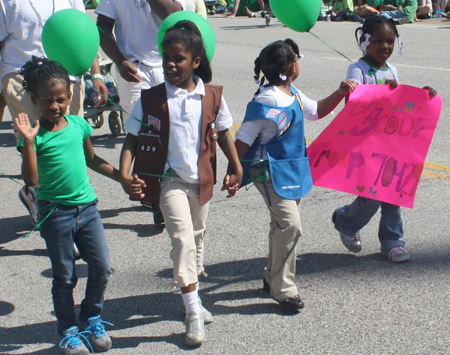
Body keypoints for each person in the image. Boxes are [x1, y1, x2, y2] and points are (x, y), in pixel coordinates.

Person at [119, 21, 242, 346]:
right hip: (168, 180)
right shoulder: (152, 99)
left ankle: (195, 294)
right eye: (166, 58)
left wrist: (235, 167)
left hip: (201, 179)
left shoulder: (212, 96)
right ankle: (191, 310)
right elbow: (131, 139)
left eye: (179, 59)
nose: (170, 64)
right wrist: (125, 173)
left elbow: (224, 134)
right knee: (183, 240)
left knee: (198, 236)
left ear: (196, 61)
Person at [234, 39, 356, 311]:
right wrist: (234, 171)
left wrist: (338, 93)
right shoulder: (266, 99)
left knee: (281, 226)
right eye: (296, 59)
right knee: (291, 226)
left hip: (292, 169)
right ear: (291, 66)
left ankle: (271, 277)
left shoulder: (293, 94)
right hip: (267, 171)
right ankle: (284, 288)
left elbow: (315, 111)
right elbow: (242, 139)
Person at [15, 57, 119, 354]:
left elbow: (92, 160)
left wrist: (122, 178)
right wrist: (29, 144)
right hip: (55, 214)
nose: (54, 106)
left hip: (87, 210)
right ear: (34, 99)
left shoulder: (78, 125)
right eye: (47, 100)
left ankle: (91, 316)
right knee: (65, 277)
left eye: (60, 99)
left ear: (70, 96)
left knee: (101, 267)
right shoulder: (35, 135)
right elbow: (31, 181)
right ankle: (68, 330)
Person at [332, 15, 437, 263]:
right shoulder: (357, 69)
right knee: (370, 196)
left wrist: (422, 95)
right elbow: (354, 104)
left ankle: (392, 241)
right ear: (365, 41)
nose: (385, 47)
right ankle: (346, 221)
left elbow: (401, 106)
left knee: (393, 193)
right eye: (378, 40)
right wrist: (374, 91)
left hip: (392, 143)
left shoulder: (392, 70)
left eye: (390, 41)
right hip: (367, 145)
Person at [0, 0, 108, 226]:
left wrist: (97, 76)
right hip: (23, 79)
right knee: (39, 145)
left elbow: (83, 35)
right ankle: (55, 214)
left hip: (66, 78)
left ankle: (72, 206)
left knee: (72, 143)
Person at [96, 0, 186, 224]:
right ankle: (154, 198)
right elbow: (102, 28)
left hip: (170, 65)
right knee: (143, 134)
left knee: (173, 131)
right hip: (133, 69)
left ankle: (172, 189)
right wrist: (119, 60)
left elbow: (173, 14)